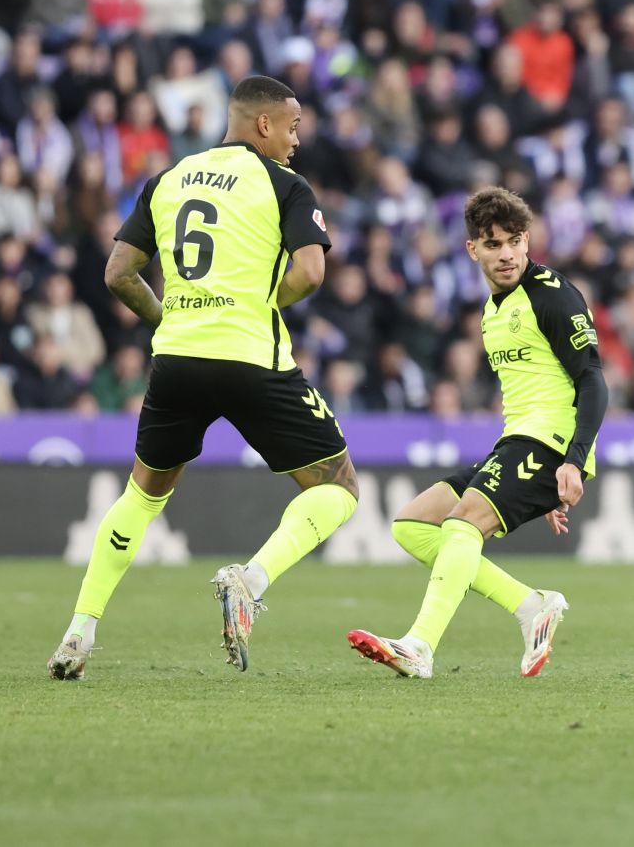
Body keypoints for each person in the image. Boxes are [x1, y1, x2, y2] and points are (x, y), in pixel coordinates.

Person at [48, 76, 352, 679]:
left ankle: (79, 632)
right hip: (249, 359)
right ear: (263, 124)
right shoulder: (283, 184)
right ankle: (251, 580)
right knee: (338, 486)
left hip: (177, 359)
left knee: (142, 495)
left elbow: (118, 273)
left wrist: (174, 319)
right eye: (291, 128)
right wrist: (262, 302)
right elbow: (312, 272)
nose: (295, 142)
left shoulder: (168, 178)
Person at [347, 187, 604, 679]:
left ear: (527, 241)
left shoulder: (552, 296)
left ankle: (419, 646)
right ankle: (531, 606)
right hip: (518, 443)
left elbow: (593, 379)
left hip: (550, 444)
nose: (505, 254)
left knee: (464, 524)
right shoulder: (493, 309)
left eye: (513, 241)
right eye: (493, 244)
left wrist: (572, 459)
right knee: (413, 526)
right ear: (473, 249)